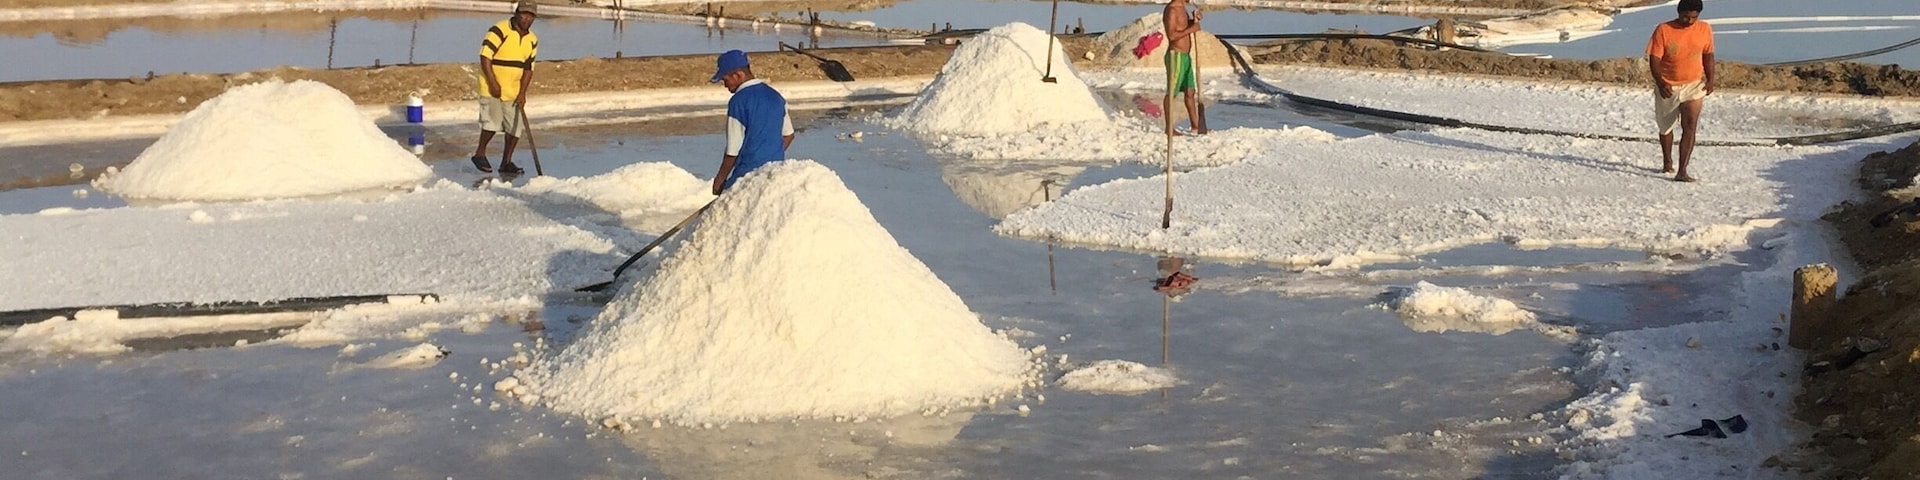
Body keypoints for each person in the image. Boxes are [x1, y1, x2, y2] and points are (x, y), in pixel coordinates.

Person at [709, 49, 796, 195]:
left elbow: (733, 150)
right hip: (774, 172)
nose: (725, 85)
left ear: (738, 75)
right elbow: (789, 135)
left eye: (725, 79)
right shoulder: (776, 97)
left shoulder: (738, 102)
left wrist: (720, 180)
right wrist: (770, 154)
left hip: (747, 174)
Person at [1646, 0, 1714, 182]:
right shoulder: (1663, 30)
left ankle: (1682, 170)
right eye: (1686, 16)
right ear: (1678, 12)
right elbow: (1654, 59)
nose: (1689, 21)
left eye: (1694, 17)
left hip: (1694, 84)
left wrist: (1711, 78)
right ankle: (1667, 161)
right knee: (1666, 126)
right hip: (1668, 85)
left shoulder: (1705, 29)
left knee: (1690, 125)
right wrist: (1660, 82)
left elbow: (1708, 55)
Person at [471, 1, 540, 175]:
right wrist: (493, 83)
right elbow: (485, 57)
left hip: (513, 90)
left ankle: (506, 162)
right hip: (491, 86)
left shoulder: (532, 39)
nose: (527, 18)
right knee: (492, 123)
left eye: (531, 16)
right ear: (516, 13)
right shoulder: (500, 29)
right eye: (524, 14)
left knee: (515, 128)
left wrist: (522, 93)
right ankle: (480, 153)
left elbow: (528, 69)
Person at [1162, 0, 1209, 135]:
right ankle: (1169, 128)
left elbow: (1182, 27)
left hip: (1186, 57)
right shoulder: (1172, 10)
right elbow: (1172, 35)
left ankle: (1196, 125)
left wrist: (1193, 21)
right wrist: (1192, 28)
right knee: (1172, 92)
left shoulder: (1183, 8)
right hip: (1175, 56)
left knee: (1190, 92)